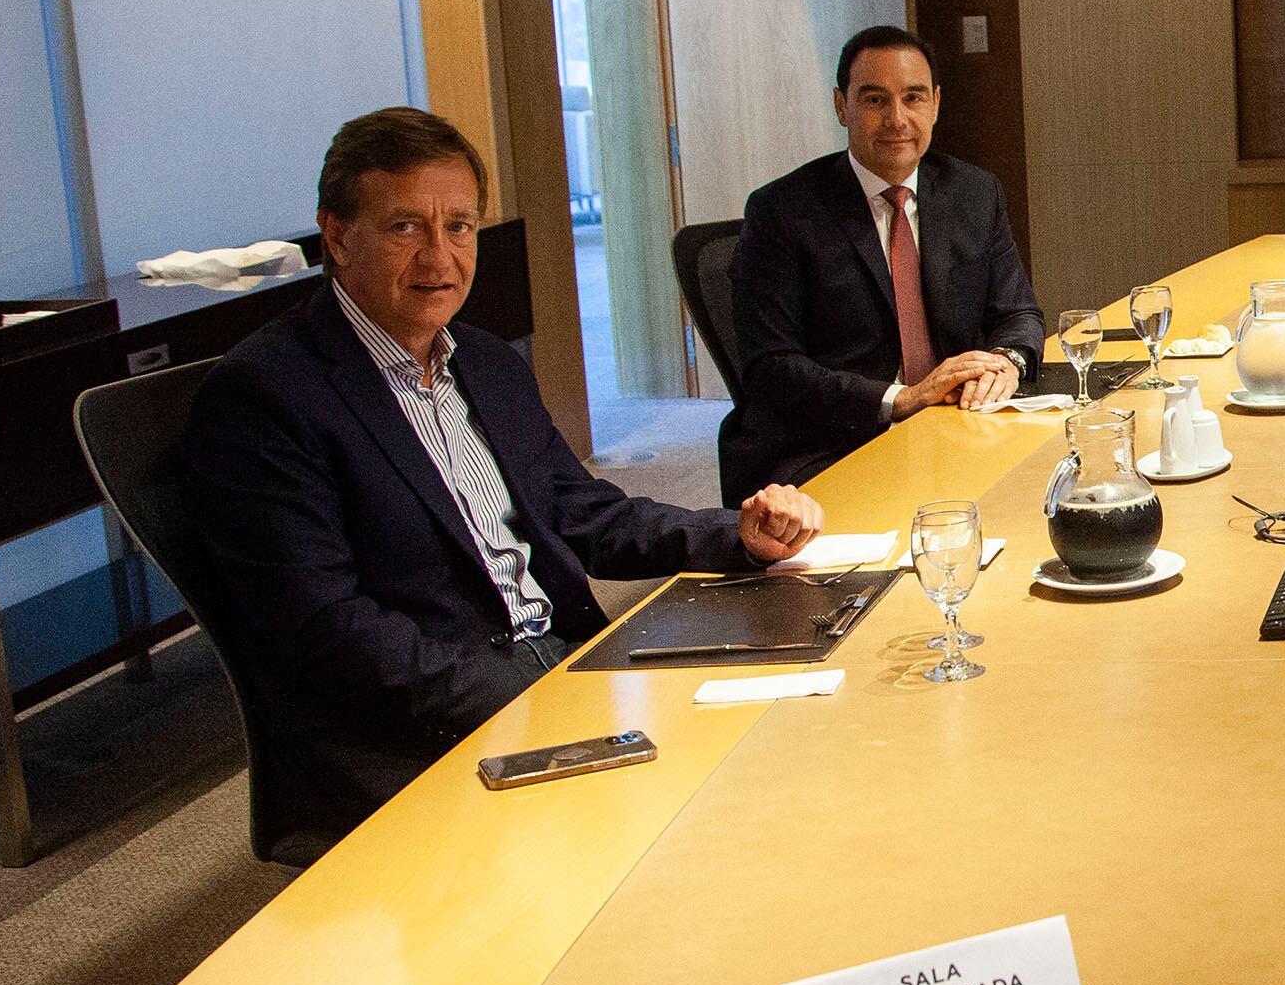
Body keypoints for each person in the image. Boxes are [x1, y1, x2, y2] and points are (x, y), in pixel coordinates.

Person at [190, 109, 822, 858]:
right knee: (691, 836)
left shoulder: (485, 362)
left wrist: (734, 534)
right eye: (404, 227)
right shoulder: (267, 396)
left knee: (788, 733)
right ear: (336, 234)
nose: (439, 255)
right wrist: (536, 699)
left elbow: (581, 512)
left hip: (561, 663)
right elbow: (329, 632)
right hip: (421, 725)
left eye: (459, 226)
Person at [718, 25, 1046, 503]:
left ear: (934, 103)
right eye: (875, 100)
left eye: (913, 98)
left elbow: (1018, 313)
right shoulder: (781, 212)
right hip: (829, 444)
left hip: (952, 427)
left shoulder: (974, 192)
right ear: (841, 106)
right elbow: (772, 369)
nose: (897, 120)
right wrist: (901, 399)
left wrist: (1005, 363)